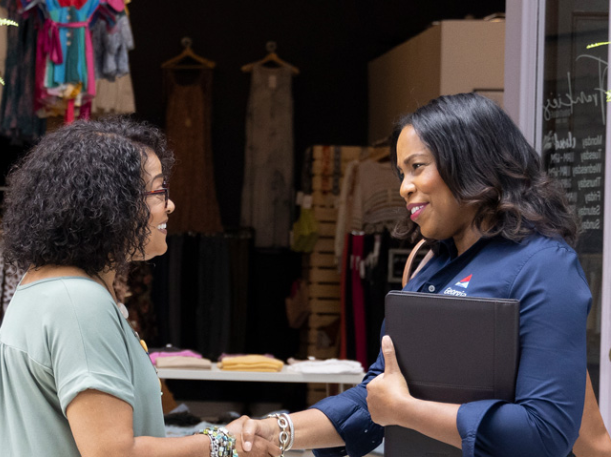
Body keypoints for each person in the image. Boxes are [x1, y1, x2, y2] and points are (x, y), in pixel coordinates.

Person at [237, 93, 591, 457]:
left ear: (472, 161)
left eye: (417, 166)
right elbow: (374, 398)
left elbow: (544, 433)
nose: (404, 187)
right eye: (402, 173)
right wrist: (275, 430)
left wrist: (406, 411)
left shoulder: (545, 267)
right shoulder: (432, 268)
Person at [0, 118, 277, 457]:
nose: (170, 205)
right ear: (111, 203)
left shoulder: (46, 285)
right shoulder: (79, 303)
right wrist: (224, 444)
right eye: (159, 191)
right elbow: (113, 452)